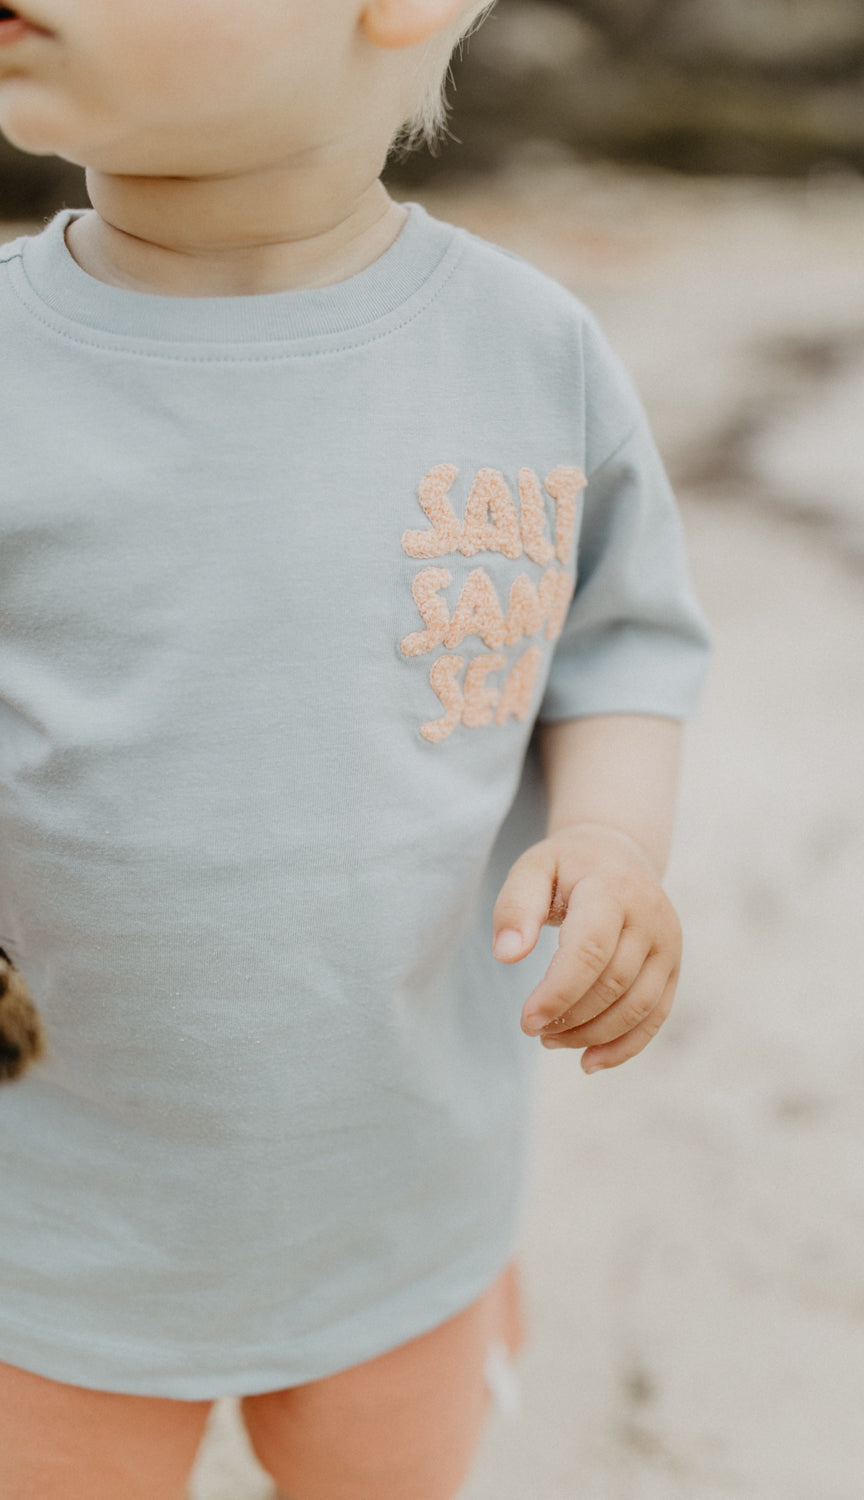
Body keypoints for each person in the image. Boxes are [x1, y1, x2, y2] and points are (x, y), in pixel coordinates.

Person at [0, 1, 711, 1496]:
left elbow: (621, 640)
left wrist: (612, 844)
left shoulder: (528, 355)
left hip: (403, 1193)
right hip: (47, 1232)